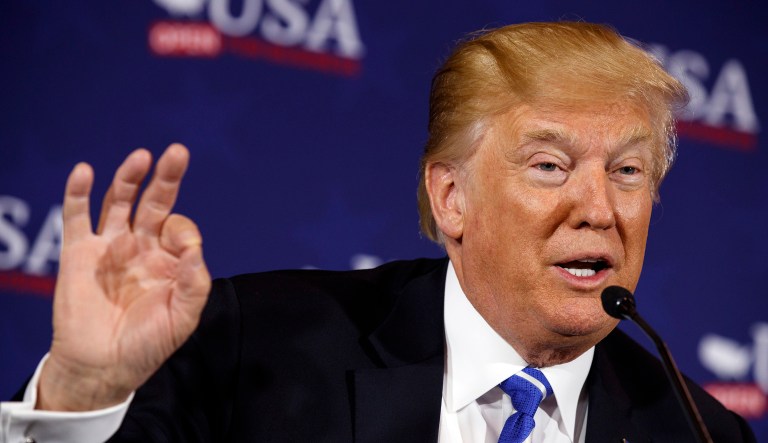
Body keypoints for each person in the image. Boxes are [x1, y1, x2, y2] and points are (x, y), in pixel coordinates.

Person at [0, 21, 756, 442]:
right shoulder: (253, 348)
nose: (599, 207)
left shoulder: (700, 434)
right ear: (452, 197)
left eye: (628, 173)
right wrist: (81, 393)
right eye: (551, 165)